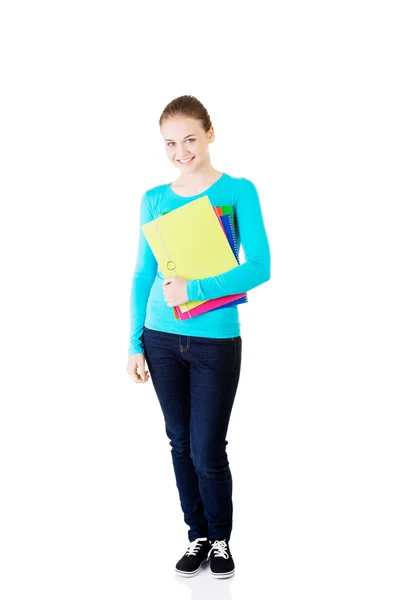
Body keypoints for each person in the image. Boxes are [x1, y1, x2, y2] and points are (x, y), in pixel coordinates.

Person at [126, 95, 271, 578]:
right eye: (170, 143)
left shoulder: (238, 191)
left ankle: (222, 540)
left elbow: (259, 266)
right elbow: (142, 275)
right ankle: (198, 535)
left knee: (208, 447)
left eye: (190, 138)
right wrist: (133, 342)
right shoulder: (154, 199)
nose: (180, 151)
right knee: (179, 442)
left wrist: (195, 287)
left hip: (214, 340)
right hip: (160, 337)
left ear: (210, 133)